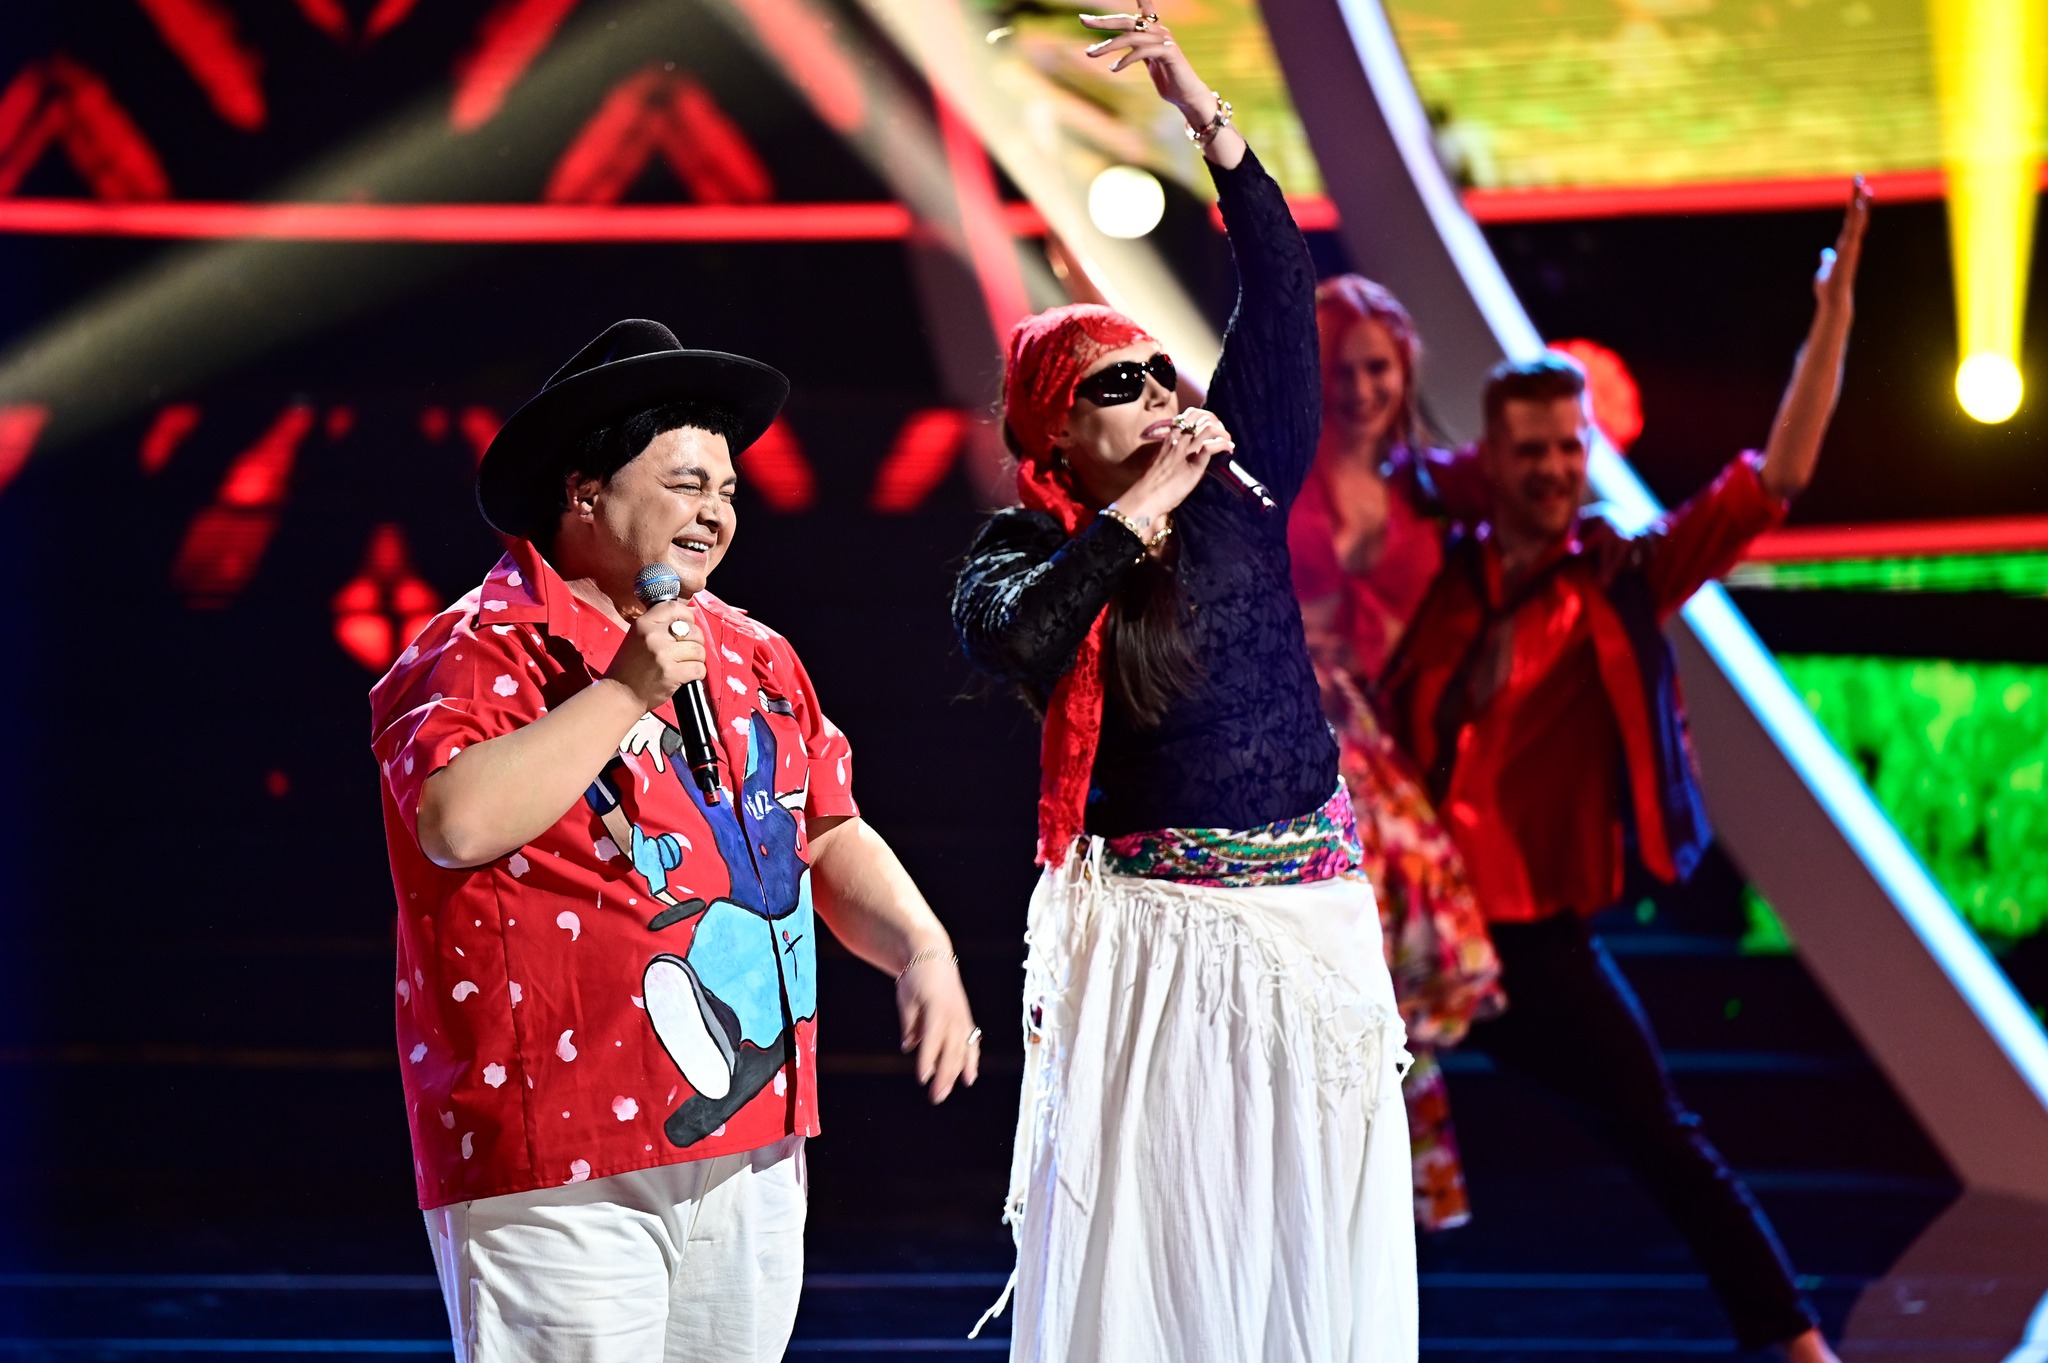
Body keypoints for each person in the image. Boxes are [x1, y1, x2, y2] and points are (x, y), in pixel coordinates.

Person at [369, 320, 979, 1363]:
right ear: (584, 491)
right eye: (687, 484)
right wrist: (624, 691)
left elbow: (825, 826)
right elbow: (454, 821)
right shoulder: (479, 646)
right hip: (558, 1148)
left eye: (728, 491)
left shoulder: (753, 650)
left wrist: (923, 948)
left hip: (748, 1131)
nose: (715, 513)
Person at [951, 13, 1416, 1361]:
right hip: (1157, 945)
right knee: (1168, 1252)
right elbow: (1023, 641)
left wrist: (1194, 103)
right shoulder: (1023, 550)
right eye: (1121, 383)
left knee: (1305, 1242)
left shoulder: (1243, 487)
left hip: (1311, 921)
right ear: (1054, 434)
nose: (1161, 390)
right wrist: (1141, 505)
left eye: (1162, 367)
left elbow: (1280, 288)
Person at [1378, 183, 1871, 1363]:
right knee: (1325, 1141)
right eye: (1530, 450)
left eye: (1570, 447)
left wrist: (1831, 313)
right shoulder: (1429, 567)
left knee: (1659, 1134)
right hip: (1394, 927)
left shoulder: (1621, 575)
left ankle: (1795, 1347)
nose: (1555, 469)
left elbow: (1775, 477)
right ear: (1487, 458)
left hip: (1528, 937)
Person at [1290, 275, 1503, 1231]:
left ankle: (1377, 1205)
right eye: (1340, 368)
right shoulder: (1274, 469)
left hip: (1379, 749)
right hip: (1286, 740)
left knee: (1389, 987)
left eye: (1377, 368)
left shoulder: (1433, 490)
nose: (1360, 388)